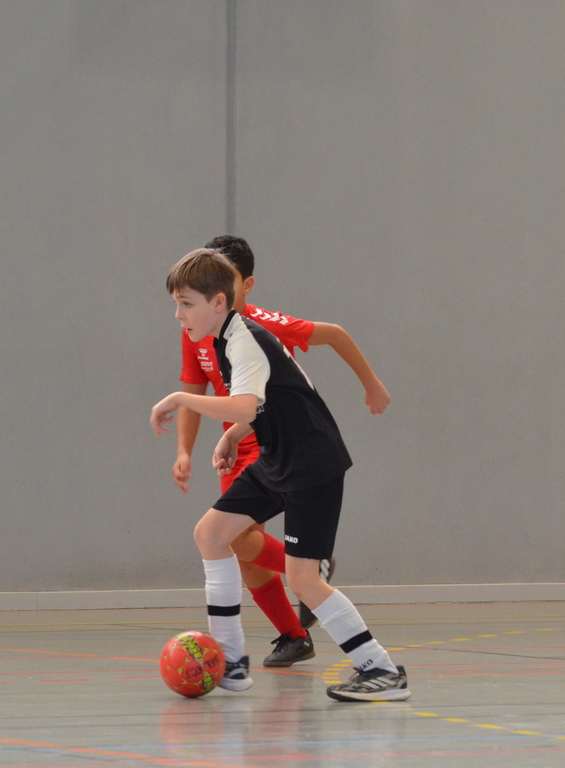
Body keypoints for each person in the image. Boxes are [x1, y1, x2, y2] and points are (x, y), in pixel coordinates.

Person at [151, 248, 409, 702]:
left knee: (303, 579)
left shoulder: (244, 341)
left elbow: (243, 404)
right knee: (211, 534)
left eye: (186, 304)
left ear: (218, 302)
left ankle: (381, 670)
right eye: (176, 304)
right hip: (277, 458)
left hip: (311, 464)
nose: (179, 314)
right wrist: (235, 436)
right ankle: (231, 661)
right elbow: (266, 401)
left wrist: (180, 398)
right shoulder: (225, 338)